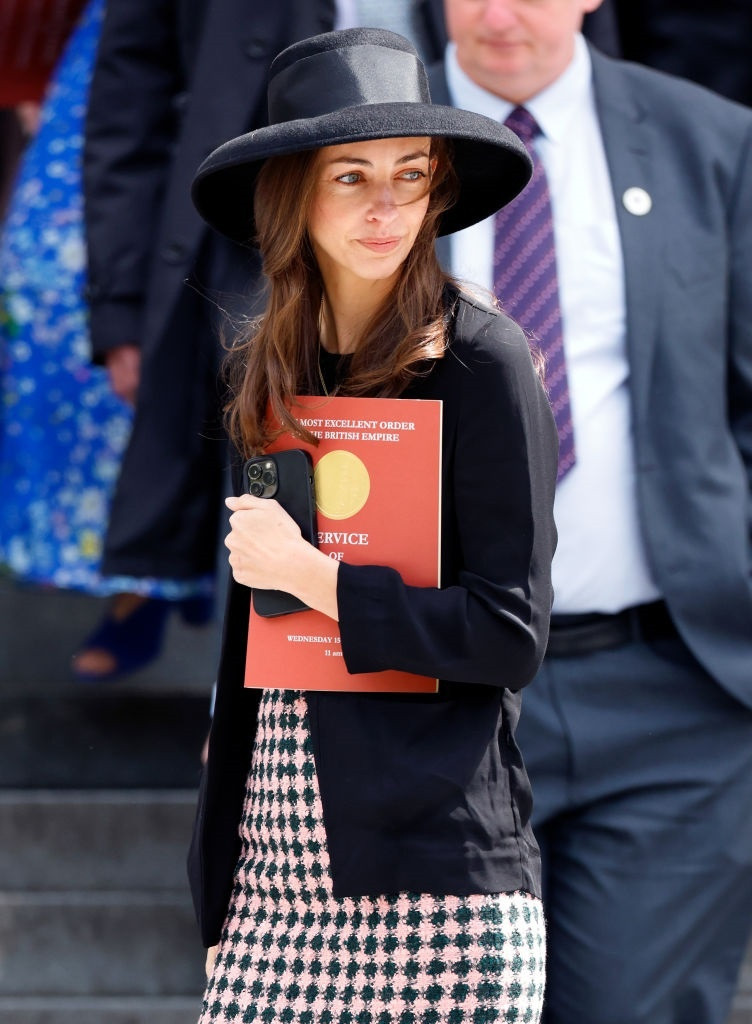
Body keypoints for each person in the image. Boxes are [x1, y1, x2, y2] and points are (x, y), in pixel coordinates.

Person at [186, 27, 558, 1024]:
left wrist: (317, 579)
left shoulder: (483, 361)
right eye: (350, 177)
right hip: (272, 867)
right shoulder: (262, 368)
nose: (386, 205)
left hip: (434, 875)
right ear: (291, 194)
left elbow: (508, 634)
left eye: (409, 174)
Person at [428, 2, 752, 1022]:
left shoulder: (709, 140)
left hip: (670, 695)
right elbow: (279, 429)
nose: (496, 12)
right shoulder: (361, 145)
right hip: (429, 699)